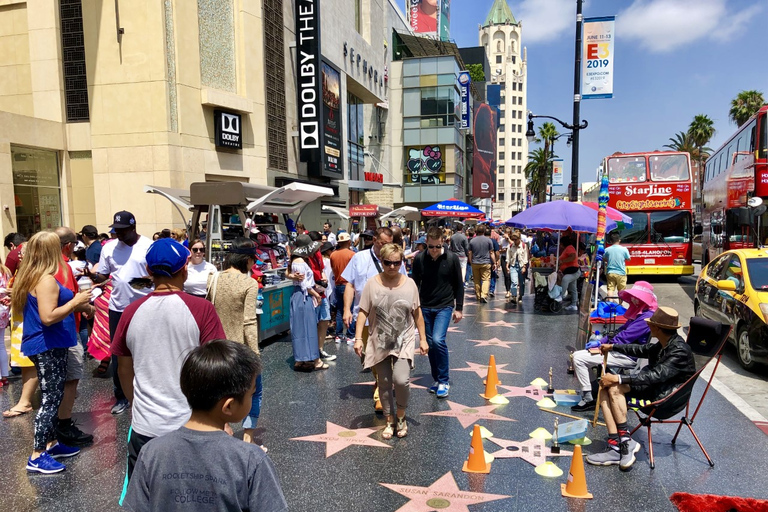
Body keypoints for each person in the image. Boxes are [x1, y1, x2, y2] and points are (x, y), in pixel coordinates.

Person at [112, 237, 226, 490]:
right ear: (184, 269)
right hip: (193, 425)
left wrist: (137, 404)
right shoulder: (202, 309)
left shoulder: (131, 312)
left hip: (146, 426)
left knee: (148, 498)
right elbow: (216, 368)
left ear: (149, 271)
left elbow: (123, 369)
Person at [122, 340, 288, 512]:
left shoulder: (151, 453)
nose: (252, 399)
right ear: (229, 406)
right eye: (251, 394)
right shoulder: (251, 460)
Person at [12, 231, 91, 474]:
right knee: (51, 399)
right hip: (47, 345)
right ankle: (37, 455)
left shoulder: (33, 275)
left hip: (48, 344)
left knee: (53, 395)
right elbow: (48, 317)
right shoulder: (45, 279)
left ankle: (52, 444)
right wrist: (76, 302)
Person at [587, 307, 695, 471]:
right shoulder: (665, 342)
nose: (648, 326)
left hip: (665, 398)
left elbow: (655, 376)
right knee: (605, 387)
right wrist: (613, 346)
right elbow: (642, 350)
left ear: (657, 328)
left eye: (650, 324)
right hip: (655, 387)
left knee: (615, 388)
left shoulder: (679, 350)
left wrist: (619, 378)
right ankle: (617, 446)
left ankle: (625, 442)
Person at [354, 243, 427, 439]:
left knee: (401, 380)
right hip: (379, 340)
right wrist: (358, 339)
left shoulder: (410, 284)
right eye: (388, 263)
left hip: (404, 340)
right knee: (384, 382)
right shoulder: (372, 283)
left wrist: (423, 339)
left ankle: (401, 416)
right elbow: (363, 312)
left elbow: (417, 313)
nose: (393, 267)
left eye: (397, 262)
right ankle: (389, 419)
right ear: (381, 261)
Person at [87, 210, 153, 415]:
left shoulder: (148, 246)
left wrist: (133, 284)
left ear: (133, 228)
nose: (119, 235)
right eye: (116, 231)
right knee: (118, 354)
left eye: (123, 231)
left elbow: (154, 278)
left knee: (146, 352)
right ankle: (121, 396)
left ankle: (147, 395)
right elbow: (105, 275)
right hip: (117, 308)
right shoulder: (109, 248)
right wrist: (92, 275)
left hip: (144, 306)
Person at [205, 237, 264, 446]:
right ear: (246, 260)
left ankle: (223, 429)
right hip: (240, 350)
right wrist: (255, 354)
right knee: (255, 392)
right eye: (252, 260)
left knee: (221, 394)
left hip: (217, 347)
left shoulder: (213, 278)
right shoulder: (249, 283)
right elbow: (249, 322)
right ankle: (248, 439)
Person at [342, 227, 405, 413]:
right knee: (367, 355)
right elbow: (350, 284)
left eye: (389, 244)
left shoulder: (394, 260)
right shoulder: (358, 257)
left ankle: (380, 391)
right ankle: (380, 380)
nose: (385, 247)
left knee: (381, 354)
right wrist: (346, 309)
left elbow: (404, 284)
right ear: (374, 240)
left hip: (388, 317)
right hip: (364, 316)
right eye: (382, 243)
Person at [571, 281, 657, 412]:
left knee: (578, 359)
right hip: (618, 349)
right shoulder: (639, 312)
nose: (634, 299)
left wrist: (604, 344)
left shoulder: (647, 317)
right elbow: (620, 331)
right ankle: (593, 390)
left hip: (626, 355)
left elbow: (625, 337)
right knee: (579, 355)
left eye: (637, 297)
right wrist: (601, 342)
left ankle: (589, 397)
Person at [53, 227, 95, 446]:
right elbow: (70, 301)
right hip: (66, 332)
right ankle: (63, 424)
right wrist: (87, 307)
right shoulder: (62, 267)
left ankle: (59, 423)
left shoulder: (46, 266)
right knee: (71, 378)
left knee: (59, 381)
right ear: (68, 246)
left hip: (57, 333)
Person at [411, 227, 464, 398]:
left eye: (437, 247)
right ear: (426, 244)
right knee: (430, 344)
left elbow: (459, 284)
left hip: (444, 305)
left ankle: (444, 380)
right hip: (424, 306)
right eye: (431, 247)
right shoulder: (419, 259)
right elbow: (414, 284)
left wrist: (459, 308)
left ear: (443, 243)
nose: (434, 251)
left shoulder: (451, 258)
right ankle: (436, 379)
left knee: (438, 339)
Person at [289, 235, 325, 371]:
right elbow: (305, 285)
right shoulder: (300, 262)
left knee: (298, 328)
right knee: (309, 327)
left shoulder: (295, 261)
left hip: (298, 295)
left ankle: (300, 359)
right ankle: (315, 360)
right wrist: (317, 295)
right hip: (303, 296)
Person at [307, 231, 335, 362]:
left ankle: (320, 348)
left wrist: (323, 278)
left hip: (322, 292)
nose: (321, 244)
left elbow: (322, 269)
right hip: (311, 293)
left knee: (324, 320)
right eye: (319, 241)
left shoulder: (318, 253)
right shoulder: (305, 256)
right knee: (312, 323)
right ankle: (311, 352)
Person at [330, 232, 355, 344]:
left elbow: (333, 269)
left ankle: (339, 335)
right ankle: (350, 334)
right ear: (349, 242)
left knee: (340, 310)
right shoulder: (352, 254)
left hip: (338, 284)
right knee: (350, 309)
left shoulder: (333, 255)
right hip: (349, 285)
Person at [468, 224, 495, 303]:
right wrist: (494, 262)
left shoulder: (472, 240)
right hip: (486, 262)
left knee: (476, 280)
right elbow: (491, 252)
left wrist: (470, 261)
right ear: (484, 231)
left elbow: (470, 252)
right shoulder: (488, 240)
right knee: (486, 279)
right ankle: (484, 295)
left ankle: (478, 296)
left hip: (475, 262)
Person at [605, 232, 631, 297]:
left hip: (610, 272)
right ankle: (620, 305)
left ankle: (610, 304)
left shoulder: (607, 250)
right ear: (619, 240)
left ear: (611, 241)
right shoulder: (624, 249)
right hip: (621, 273)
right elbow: (628, 259)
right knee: (621, 290)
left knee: (610, 289)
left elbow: (604, 258)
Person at [506, 232, 528, 305]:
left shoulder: (524, 246)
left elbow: (526, 257)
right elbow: (508, 256)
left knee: (521, 283)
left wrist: (524, 267)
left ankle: (521, 296)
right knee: (514, 282)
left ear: (519, 239)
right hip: (513, 265)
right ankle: (514, 296)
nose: (514, 241)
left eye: (516, 240)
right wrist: (507, 265)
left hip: (521, 265)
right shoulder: (511, 246)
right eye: (513, 240)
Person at [559, 237, 580, 311]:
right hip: (572, 271)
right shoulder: (567, 249)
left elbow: (573, 257)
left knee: (565, 279)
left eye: (560, 244)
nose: (560, 245)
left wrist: (563, 261)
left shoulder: (569, 248)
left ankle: (561, 296)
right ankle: (574, 304)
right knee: (573, 288)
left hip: (574, 271)